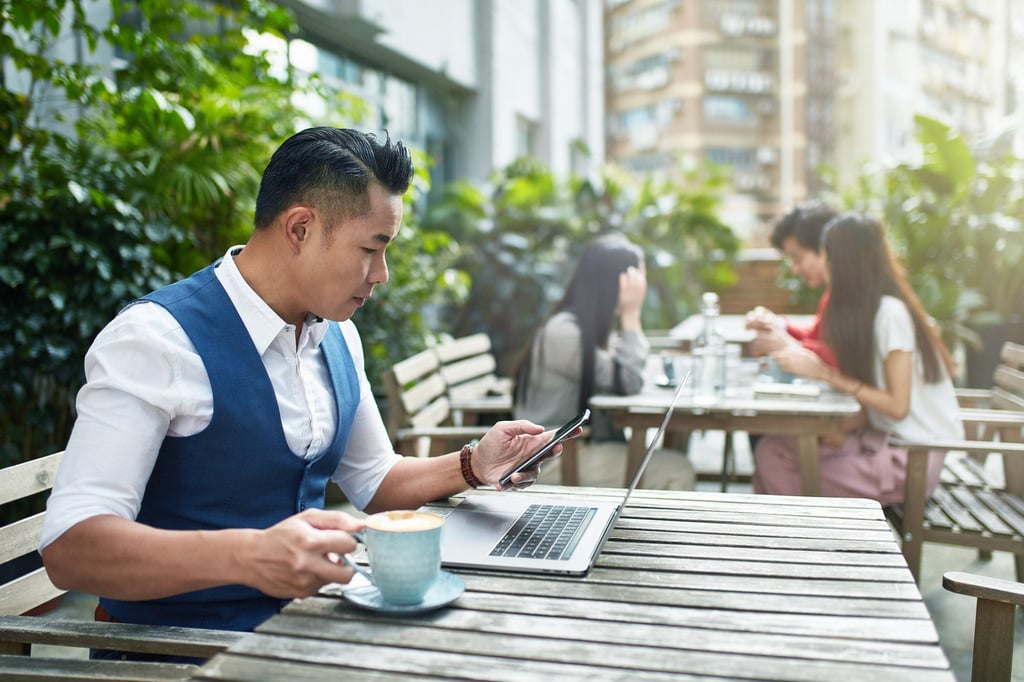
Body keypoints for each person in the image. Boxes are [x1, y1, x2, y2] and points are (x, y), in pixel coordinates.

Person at [38, 128, 565, 651]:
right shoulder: (156, 340)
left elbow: (375, 480)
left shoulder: (336, 336)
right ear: (300, 229)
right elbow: (71, 547)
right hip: (179, 653)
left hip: (309, 632)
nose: (381, 274)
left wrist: (476, 465)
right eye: (371, 248)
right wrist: (249, 555)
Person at [752, 212, 964, 504]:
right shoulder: (867, 314)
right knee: (772, 450)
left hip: (910, 459)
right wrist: (839, 429)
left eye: (827, 257)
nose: (824, 267)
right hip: (876, 441)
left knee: (780, 468)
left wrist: (825, 374)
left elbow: (897, 406)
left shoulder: (892, 314)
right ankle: (795, 539)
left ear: (843, 263)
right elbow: (872, 394)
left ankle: (802, 542)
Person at [513, 233, 695, 490]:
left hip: (576, 447)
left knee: (667, 462)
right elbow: (629, 381)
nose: (641, 286)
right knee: (678, 470)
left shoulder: (588, 326)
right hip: (554, 459)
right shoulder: (565, 332)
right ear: (617, 282)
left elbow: (624, 375)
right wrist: (632, 314)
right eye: (637, 278)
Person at [745, 201, 838, 367]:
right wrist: (775, 324)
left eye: (798, 258)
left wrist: (789, 346)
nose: (795, 270)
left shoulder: (857, 293)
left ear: (825, 249)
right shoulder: (832, 293)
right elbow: (815, 335)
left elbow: (843, 356)